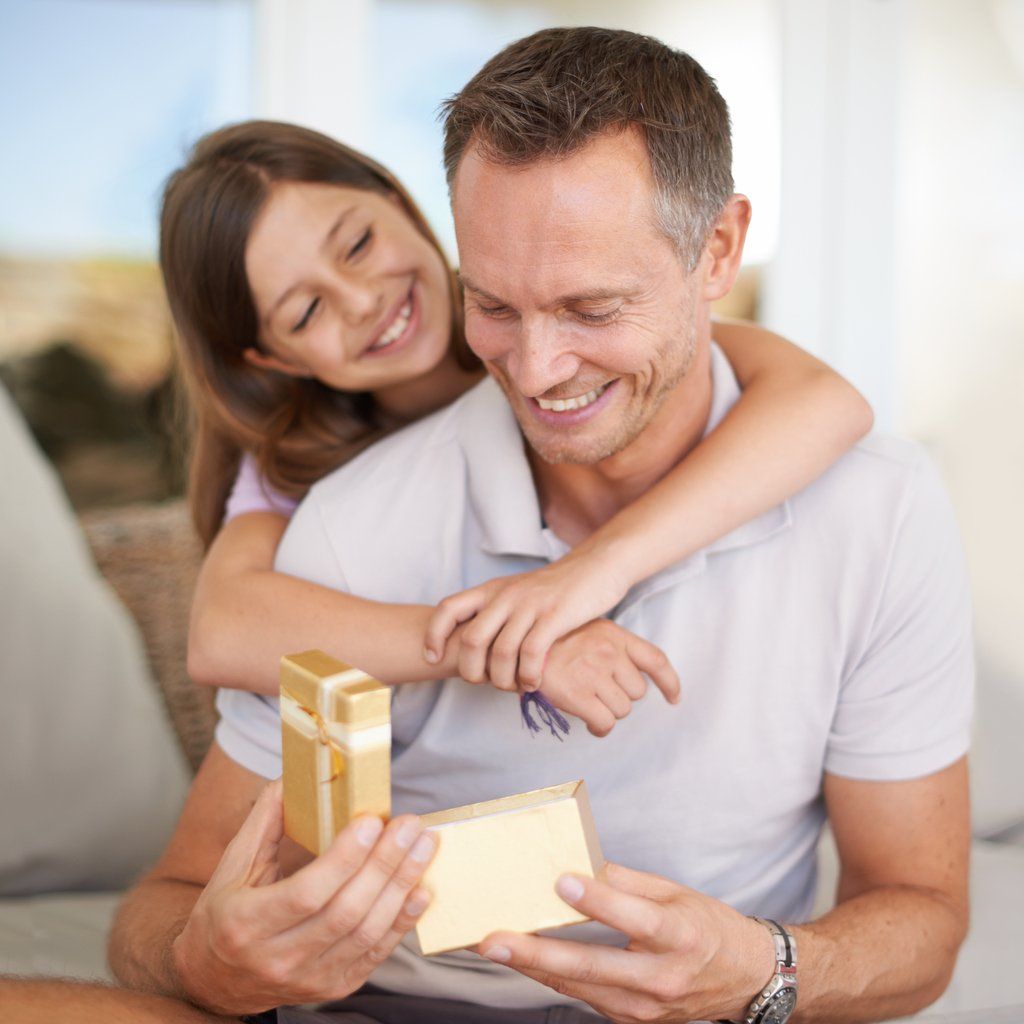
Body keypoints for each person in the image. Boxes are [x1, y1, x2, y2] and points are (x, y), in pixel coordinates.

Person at [109, 27, 973, 1024]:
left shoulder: (873, 504)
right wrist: (214, 962)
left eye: (592, 307)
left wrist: (767, 971)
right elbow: (168, 902)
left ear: (718, 251)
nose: (538, 368)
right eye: (495, 307)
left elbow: (921, 919)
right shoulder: (341, 524)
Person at [165, 120, 871, 736]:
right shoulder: (296, 464)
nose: (361, 299)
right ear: (268, 356)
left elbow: (825, 401)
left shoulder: (547, 315)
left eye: (356, 246)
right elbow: (222, 630)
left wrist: (587, 575)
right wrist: (508, 638)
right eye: (305, 313)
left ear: (394, 198)